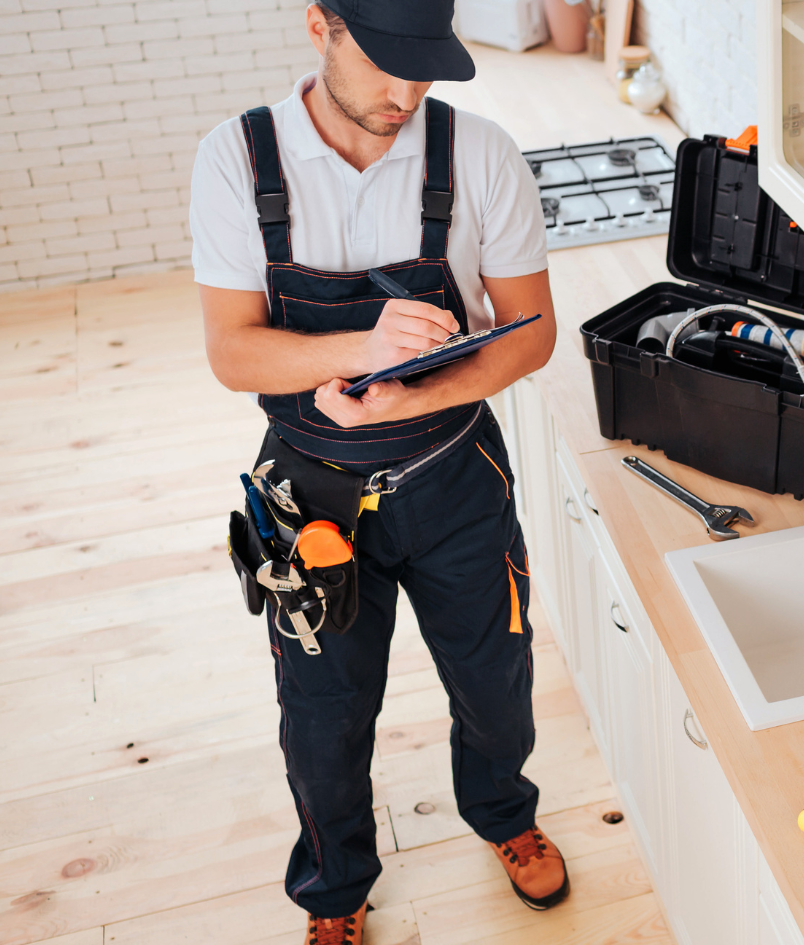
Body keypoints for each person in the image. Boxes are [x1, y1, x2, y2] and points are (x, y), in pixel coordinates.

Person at [189, 1, 566, 939]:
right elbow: (234, 354)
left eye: (426, 68)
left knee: (495, 680)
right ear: (321, 26)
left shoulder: (480, 155)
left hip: (454, 472)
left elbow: (533, 333)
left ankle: (504, 818)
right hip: (311, 486)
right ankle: (336, 885)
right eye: (387, 64)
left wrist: (416, 396)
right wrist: (361, 345)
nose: (407, 94)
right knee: (322, 713)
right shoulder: (237, 161)